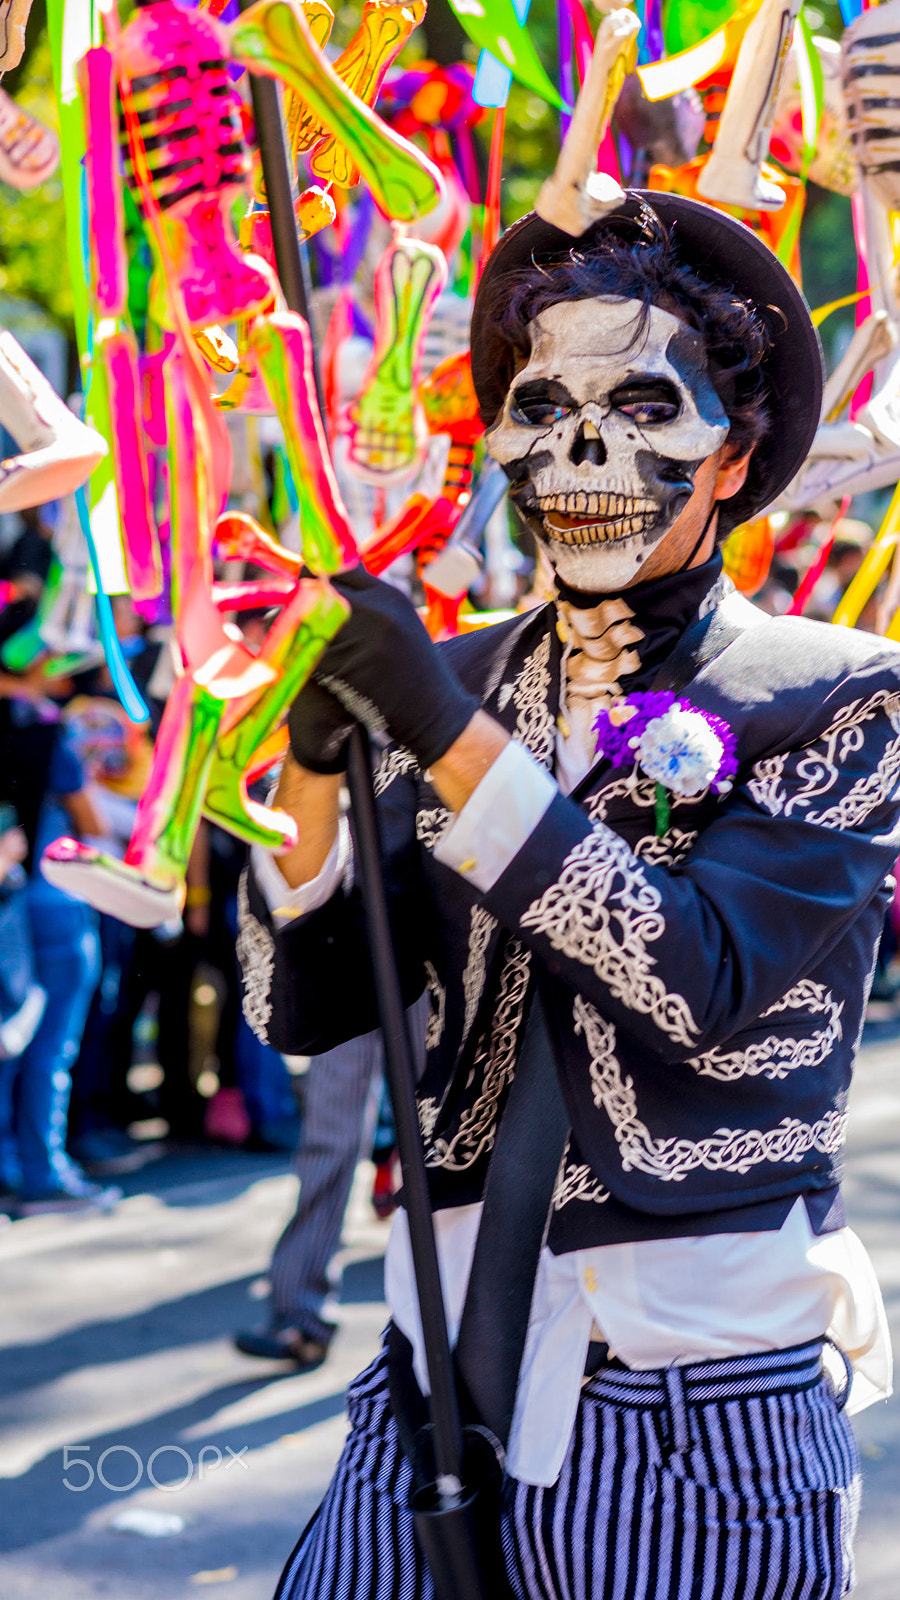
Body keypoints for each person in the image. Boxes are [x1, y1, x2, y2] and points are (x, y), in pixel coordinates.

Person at [238, 193, 895, 1600]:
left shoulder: (838, 692)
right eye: (542, 408)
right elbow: (301, 1001)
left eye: (646, 404)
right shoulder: (453, 674)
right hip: (431, 1382)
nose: (580, 450)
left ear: (731, 458)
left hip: (693, 1417)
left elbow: (700, 986)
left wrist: (436, 729)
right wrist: (308, 769)